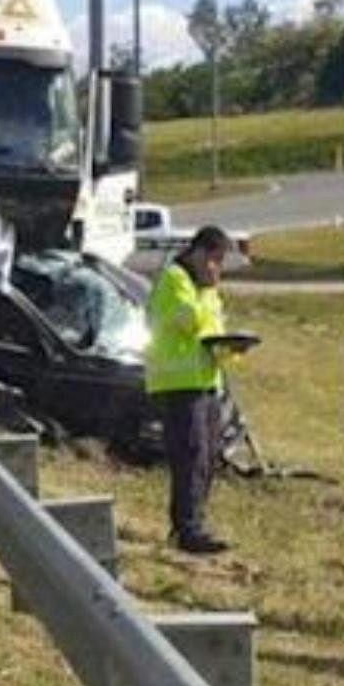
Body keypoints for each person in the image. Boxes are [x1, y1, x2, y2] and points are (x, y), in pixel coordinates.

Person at [145, 226, 234, 554]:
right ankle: (186, 529)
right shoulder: (175, 279)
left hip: (206, 381)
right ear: (198, 253)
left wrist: (232, 347)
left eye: (220, 262)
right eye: (213, 260)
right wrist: (207, 295)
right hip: (178, 383)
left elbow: (215, 330)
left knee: (208, 456)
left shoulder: (205, 289)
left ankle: (196, 522)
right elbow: (190, 322)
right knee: (191, 455)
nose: (216, 268)